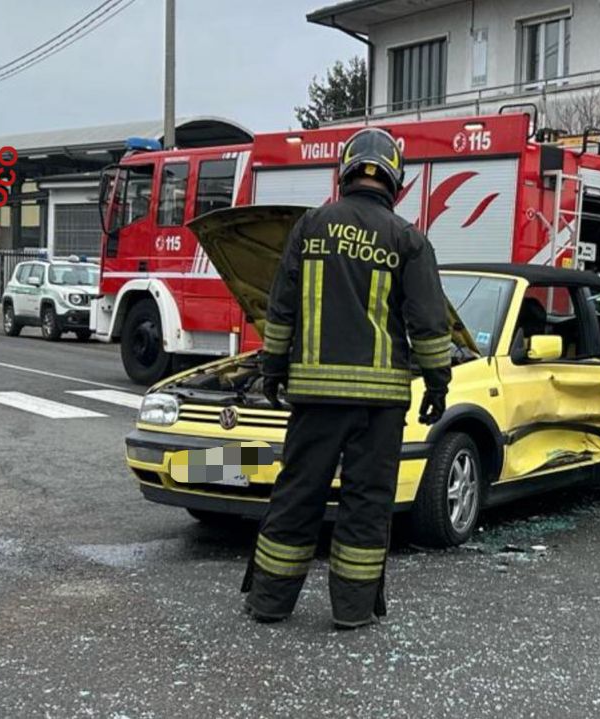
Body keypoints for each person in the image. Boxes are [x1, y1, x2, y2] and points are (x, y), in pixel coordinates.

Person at [242, 128, 452, 630]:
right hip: (380, 404)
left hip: (315, 396)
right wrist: (437, 385)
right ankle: (353, 611)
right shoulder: (408, 239)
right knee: (366, 501)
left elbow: (282, 306)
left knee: (298, 493)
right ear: (395, 179)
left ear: (346, 170)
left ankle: (269, 603)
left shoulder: (311, 227)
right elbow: (428, 322)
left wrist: (272, 367)